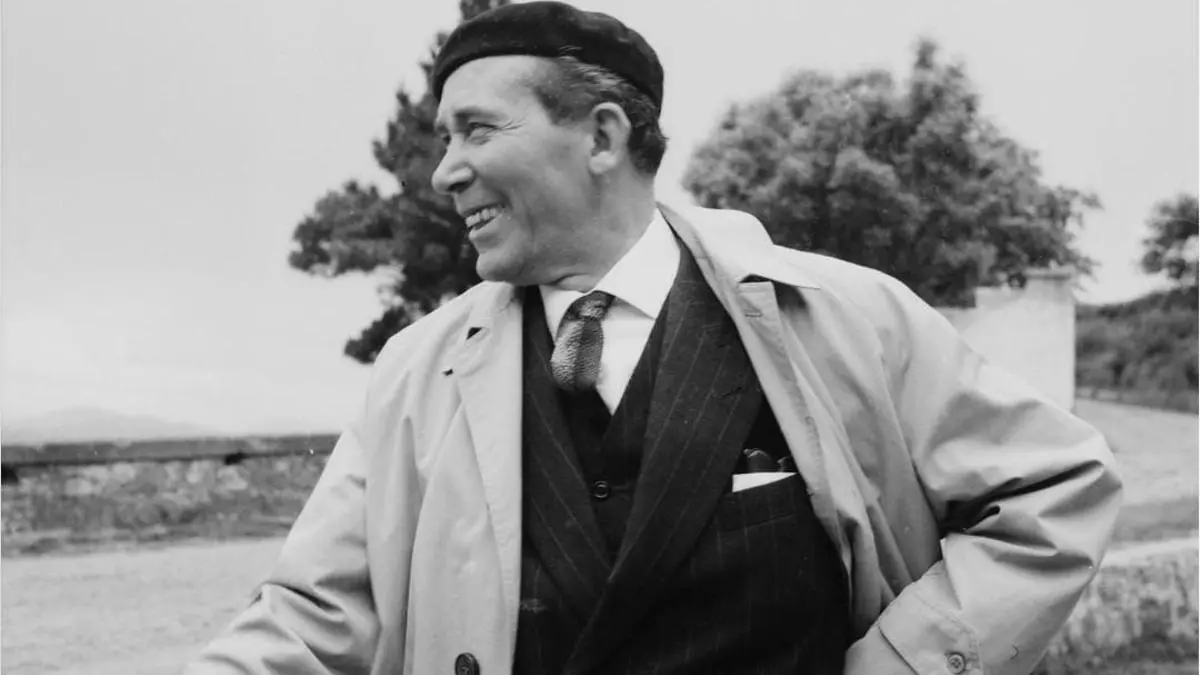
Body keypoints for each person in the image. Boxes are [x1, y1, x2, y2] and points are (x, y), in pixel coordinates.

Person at [186, 3, 1122, 674]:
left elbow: (1057, 486)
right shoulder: (415, 375)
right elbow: (312, 615)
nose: (445, 171)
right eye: (443, 138)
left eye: (475, 131)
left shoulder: (841, 316)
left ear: (602, 138)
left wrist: (910, 661)